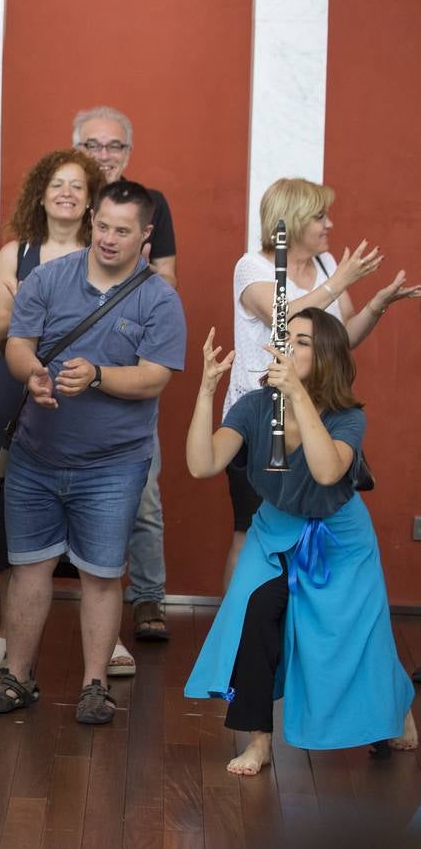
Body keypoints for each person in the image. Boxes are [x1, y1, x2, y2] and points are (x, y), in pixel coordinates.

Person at [0, 180, 185, 726]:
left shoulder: (159, 297)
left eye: (123, 230)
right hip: (35, 454)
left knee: (101, 573)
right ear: (91, 218)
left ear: (146, 234)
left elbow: (155, 378)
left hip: (114, 463)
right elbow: (18, 343)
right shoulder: (47, 277)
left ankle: (94, 685)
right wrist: (33, 375)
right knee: (29, 567)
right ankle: (17, 677)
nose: (109, 239)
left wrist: (96, 376)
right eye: (103, 225)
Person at [185, 312, 416, 774]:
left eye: (303, 341)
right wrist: (207, 390)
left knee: (359, 634)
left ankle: (396, 710)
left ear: (326, 355)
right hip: (273, 531)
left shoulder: (347, 416)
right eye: (286, 337)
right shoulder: (254, 407)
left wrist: (297, 397)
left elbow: (329, 471)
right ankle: (258, 740)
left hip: (339, 537)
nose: (289, 345)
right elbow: (202, 464)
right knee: (255, 621)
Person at [221, 178, 419, 587]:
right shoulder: (253, 266)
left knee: (304, 525)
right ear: (291, 221)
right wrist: (339, 283)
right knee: (251, 528)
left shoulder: (326, 266)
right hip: (262, 419)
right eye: (319, 216)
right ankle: (237, 627)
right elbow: (282, 319)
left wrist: (377, 306)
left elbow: (340, 339)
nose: (329, 224)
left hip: (314, 415)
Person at [0, 148, 106, 675]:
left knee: (100, 505)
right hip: (14, 393)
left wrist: (35, 303)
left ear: (92, 200)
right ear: (41, 193)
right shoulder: (16, 252)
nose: (67, 193)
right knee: (3, 499)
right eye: (57, 184)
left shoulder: (106, 251)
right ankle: (8, 629)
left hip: (86, 395)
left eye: (77, 185)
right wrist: (33, 305)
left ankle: (106, 637)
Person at [70, 105, 179, 647]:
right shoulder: (63, 195)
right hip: (61, 376)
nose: (104, 156)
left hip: (129, 370)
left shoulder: (149, 204)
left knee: (143, 495)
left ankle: (149, 597)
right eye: (93, 145)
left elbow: (167, 284)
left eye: (114, 147)